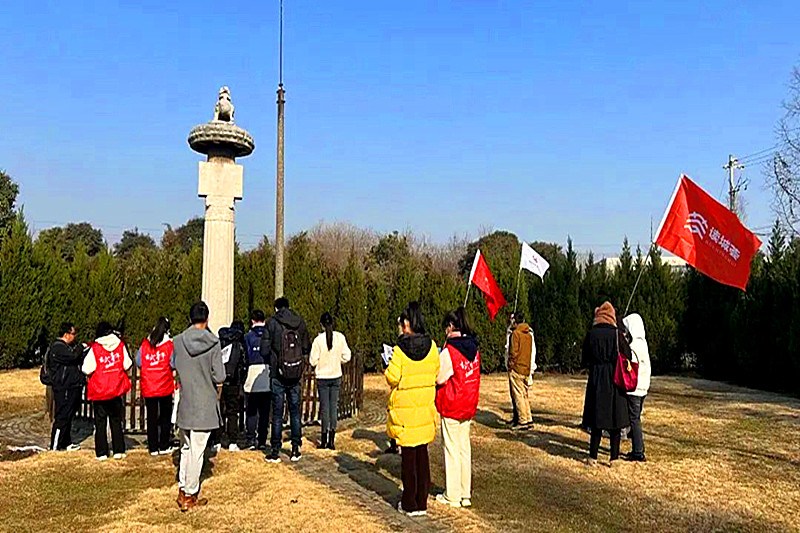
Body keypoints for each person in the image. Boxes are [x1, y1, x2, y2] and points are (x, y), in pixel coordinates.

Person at [386, 301, 440, 516]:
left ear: (407, 324)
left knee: (408, 459)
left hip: (406, 410)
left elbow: (393, 377)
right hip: (424, 408)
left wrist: (387, 365)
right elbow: (435, 371)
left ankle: (409, 502)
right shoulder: (432, 347)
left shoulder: (399, 351)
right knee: (421, 456)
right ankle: (421, 500)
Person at [174, 301, 225, 511]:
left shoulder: (177, 341)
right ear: (207, 319)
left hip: (185, 401)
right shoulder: (214, 343)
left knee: (185, 448)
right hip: (204, 404)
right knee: (197, 451)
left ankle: (183, 487)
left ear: (189, 318)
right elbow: (220, 375)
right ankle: (190, 494)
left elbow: (174, 365)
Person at [435, 307, 480, 509]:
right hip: (468, 403)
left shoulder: (450, 351)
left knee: (451, 449)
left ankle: (452, 495)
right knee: (464, 449)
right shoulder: (474, 348)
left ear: (451, 326)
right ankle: (464, 493)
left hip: (453, 404)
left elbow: (440, 377)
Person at [581, 302, 631, 465]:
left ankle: (593, 456)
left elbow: (585, 356)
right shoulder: (617, 334)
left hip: (597, 377)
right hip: (614, 377)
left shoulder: (592, 333)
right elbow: (627, 354)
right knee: (615, 419)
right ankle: (614, 457)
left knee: (597, 418)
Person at [263, 297, 311, 463]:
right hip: (296, 372)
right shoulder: (300, 322)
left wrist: (271, 360)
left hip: (277, 373)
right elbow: (306, 347)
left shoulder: (272, 323)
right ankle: (296, 448)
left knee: (277, 413)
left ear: (276, 308)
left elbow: (264, 349)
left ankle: (275, 450)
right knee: (295, 412)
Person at [82, 322, 132, 461]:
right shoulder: (120, 345)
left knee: (100, 423)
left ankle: (102, 452)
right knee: (116, 421)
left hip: (100, 391)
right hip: (115, 389)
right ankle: (119, 450)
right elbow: (127, 364)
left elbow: (86, 368)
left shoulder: (96, 348)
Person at [309, 312, 352, 450]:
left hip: (322, 377)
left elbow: (312, 361)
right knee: (334, 407)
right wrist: (338, 361)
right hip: (335, 374)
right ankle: (332, 439)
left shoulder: (318, 340)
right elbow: (347, 356)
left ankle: (324, 437)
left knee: (325, 408)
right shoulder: (340, 337)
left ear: (321, 325)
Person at [137, 317, 176, 456]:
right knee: (165, 416)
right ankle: (164, 445)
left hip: (149, 385)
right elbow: (173, 363)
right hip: (164, 384)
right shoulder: (169, 345)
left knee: (151, 417)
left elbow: (139, 361)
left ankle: (153, 447)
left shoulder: (145, 344)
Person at [48, 322, 87, 452]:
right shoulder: (58, 347)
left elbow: (76, 359)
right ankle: (55, 445)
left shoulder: (66, 347)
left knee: (69, 416)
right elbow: (73, 357)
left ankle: (66, 442)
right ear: (66, 334)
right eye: (73, 334)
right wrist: (81, 347)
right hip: (63, 387)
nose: (74, 337)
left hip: (71, 386)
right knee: (62, 417)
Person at [623, 313, 650, 462]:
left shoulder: (634, 346)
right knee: (636, 418)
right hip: (643, 387)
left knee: (634, 419)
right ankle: (638, 448)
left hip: (635, 388)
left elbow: (629, 367)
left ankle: (638, 451)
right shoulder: (643, 344)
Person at [243, 310, 271, 451]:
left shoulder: (248, 337)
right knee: (265, 411)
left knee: (252, 411)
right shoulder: (269, 334)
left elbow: (246, 358)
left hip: (252, 375)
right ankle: (262, 440)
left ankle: (250, 439)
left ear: (253, 321)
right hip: (266, 374)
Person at [218, 320, 247, 451]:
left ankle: (216, 440)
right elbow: (244, 363)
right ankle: (232, 441)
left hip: (219, 379)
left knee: (218, 410)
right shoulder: (239, 343)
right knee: (232, 411)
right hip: (234, 381)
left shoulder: (221, 340)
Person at [507, 311, 535, 429]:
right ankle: (528, 418)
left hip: (517, 368)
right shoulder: (528, 334)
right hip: (526, 368)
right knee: (524, 395)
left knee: (518, 395)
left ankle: (522, 421)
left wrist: (510, 365)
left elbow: (513, 352)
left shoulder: (516, 334)